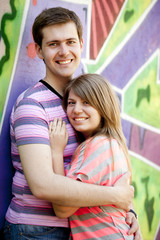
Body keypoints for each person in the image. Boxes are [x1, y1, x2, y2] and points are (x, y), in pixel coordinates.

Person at [4, 7, 140, 240]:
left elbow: (99, 166)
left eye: (70, 41)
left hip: (78, 228)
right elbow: (43, 185)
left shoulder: (83, 101)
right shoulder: (32, 105)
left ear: (81, 44)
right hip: (34, 231)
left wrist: (124, 210)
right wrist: (115, 196)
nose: (64, 51)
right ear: (39, 50)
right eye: (53, 44)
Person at [49, 73, 139, 239]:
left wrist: (55, 152)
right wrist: (131, 211)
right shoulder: (113, 144)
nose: (76, 110)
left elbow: (63, 208)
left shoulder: (98, 146)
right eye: (71, 103)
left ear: (103, 107)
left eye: (86, 102)